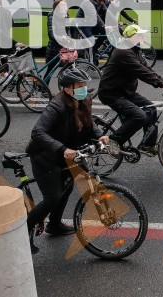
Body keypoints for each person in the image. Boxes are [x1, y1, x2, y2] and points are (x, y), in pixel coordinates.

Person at [25, 67, 109, 253]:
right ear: (67, 88)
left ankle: (54, 225)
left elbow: (89, 123)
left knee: (67, 187)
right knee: (52, 197)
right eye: (79, 86)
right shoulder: (56, 106)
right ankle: (23, 233)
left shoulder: (83, 101)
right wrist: (62, 149)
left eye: (84, 85)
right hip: (45, 157)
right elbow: (37, 132)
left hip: (67, 154)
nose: (83, 89)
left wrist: (100, 135)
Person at [99, 24, 163, 157]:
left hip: (126, 91)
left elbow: (147, 68)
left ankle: (148, 145)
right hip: (112, 93)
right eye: (139, 35)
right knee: (140, 116)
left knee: (151, 108)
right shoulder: (123, 51)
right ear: (130, 37)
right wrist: (159, 83)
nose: (142, 37)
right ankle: (114, 141)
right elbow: (140, 71)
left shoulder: (135, 50)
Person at [77, 0, 108, 66]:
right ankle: (92, 64)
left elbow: (108, 12)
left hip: (91, 24)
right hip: (83, 25)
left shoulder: (101, 2)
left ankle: (93, 50)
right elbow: (95, 16)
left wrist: (116, 23)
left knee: (106, 32)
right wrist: (104, 25)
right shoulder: (88, 2)